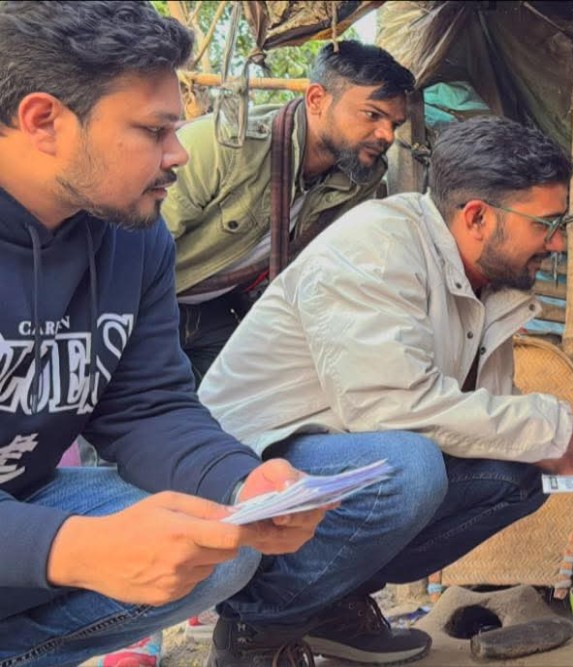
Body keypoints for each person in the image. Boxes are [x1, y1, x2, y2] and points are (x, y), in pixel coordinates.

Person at [196, 115, 573, 663]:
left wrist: (553, 448)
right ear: (478, 217)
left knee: (520, 473)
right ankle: (258, 621)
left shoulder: (488, 283)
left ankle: (330, 605)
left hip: (343, 455)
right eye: (545, 224)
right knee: (408, 469)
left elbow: (486, 416)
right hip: (245, 467)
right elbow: (389, 409)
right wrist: (562, 424)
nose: (556, 242)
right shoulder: (376, 248)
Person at [0, 3, 329, 666]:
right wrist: (72, 548)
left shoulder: (134, 236)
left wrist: (243, 483)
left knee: (214, 546)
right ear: (44, 120)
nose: (179, 153)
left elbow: (148, 405)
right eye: (155, 131)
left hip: (20, 501)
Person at [164, 40, 414, 383]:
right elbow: (129, 252)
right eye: (373, 115)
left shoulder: (361, 178)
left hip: (216, 311)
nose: (386, 135)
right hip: (147, 304)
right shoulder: (225, 146)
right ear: (316, 100)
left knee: (238, 412)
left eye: (394, 124)